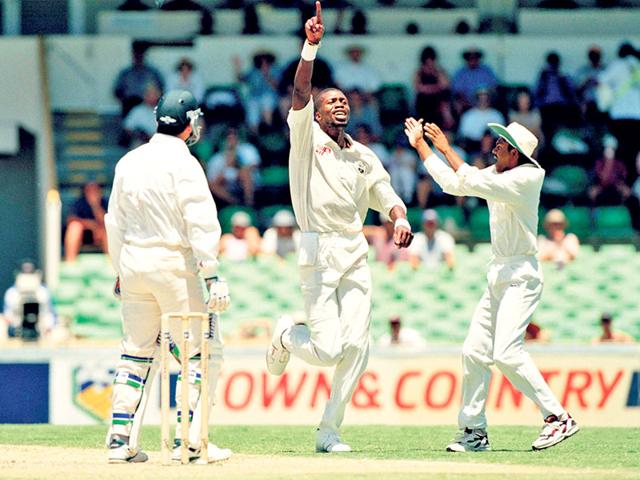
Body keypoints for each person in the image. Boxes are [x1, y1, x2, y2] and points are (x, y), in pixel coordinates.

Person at [266, 2, 413, 454]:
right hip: (317, 248)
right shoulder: (306, 139)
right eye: (332, 101)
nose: (340, 103)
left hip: (353, 248)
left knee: (359, 346)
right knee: (328, 349)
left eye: (344, 100)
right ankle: (288, 335)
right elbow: (299, 90)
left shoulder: (363, 154)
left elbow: (384, 193)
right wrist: (311, 46)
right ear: (316, 112)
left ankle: (329, 431)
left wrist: (399, 217)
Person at [404, 116, 579, 452]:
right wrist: (422, 146)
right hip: (498, 273)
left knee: (507, 353)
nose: (495, 145)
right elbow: (453, 184)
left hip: (522, 275)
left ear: (516, 154)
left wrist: (446, 148)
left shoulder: (528, 177)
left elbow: (467, 177)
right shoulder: (496, 174)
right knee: (474, 352)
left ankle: (558, 417)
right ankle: (474, 431)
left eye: (502, 143)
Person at [104, 90, 231, 464]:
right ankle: (189, 442)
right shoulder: (185, 164)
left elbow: (115, 222)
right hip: (174, 265)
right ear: (190, 121)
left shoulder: (129, 161)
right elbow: (201, 220)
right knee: (200, 353)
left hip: (134, 264)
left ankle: (120, 441)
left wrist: (119, 270)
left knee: (136, 352)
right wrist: (211, 274)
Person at [206, 128, 261, 207]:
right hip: (227, 182)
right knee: (212, 184)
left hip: (248, 179)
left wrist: (240, 167)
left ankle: (249, 204)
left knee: (244, 173)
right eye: (229, 138)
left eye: (234, 137)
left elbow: (256, 164)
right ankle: (234, 202)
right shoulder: (216, 158)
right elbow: (212, 178)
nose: (231, 141)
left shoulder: (247, 149)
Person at [2, 260, 57, 340]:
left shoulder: (43, 292)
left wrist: (47, 326)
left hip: (41, 328)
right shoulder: (12, 293)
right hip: (17, 327)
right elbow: (8, 313)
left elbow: (50, 312)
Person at [113, 41, 164, 118]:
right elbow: (117, 90)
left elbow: (161, 89)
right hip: (130, 103)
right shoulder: (125, 73)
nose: (138, 57)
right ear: (133, 55)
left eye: (140, 54)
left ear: (144, 55)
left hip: (148, 104)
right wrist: (123, 100)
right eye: (136, 55)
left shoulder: (153, 72)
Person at [64, 181, 108, 262]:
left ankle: (112, 264)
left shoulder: (104, 202)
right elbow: (71, 219)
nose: (92, 192)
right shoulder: (79, 202)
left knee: (106, 230)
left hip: (99, 235)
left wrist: (95, 205)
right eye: (90, 190)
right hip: (83, 235)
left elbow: (106, 221)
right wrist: (90, 225)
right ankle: (70, 261)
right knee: (74, 227)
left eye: (95, 190)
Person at [451, 48, 498, 116]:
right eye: (470, 58)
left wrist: (487, 101)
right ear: (466, 59)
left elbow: (494, 87)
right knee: (457, 105)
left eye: (475, 58)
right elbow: (458, 91)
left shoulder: (486, 70)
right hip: (467, 103)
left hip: (486, 101)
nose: (472, 60)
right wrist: (468, 103)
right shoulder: (460, 72)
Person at [122, 83, 161, 147]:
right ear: (144, 96)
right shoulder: (137, 110)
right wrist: (142, 135)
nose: (152, 96)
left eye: (154, 94)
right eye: (149, 94)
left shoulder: (162, 110)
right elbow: (128, 128)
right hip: (142, 141)